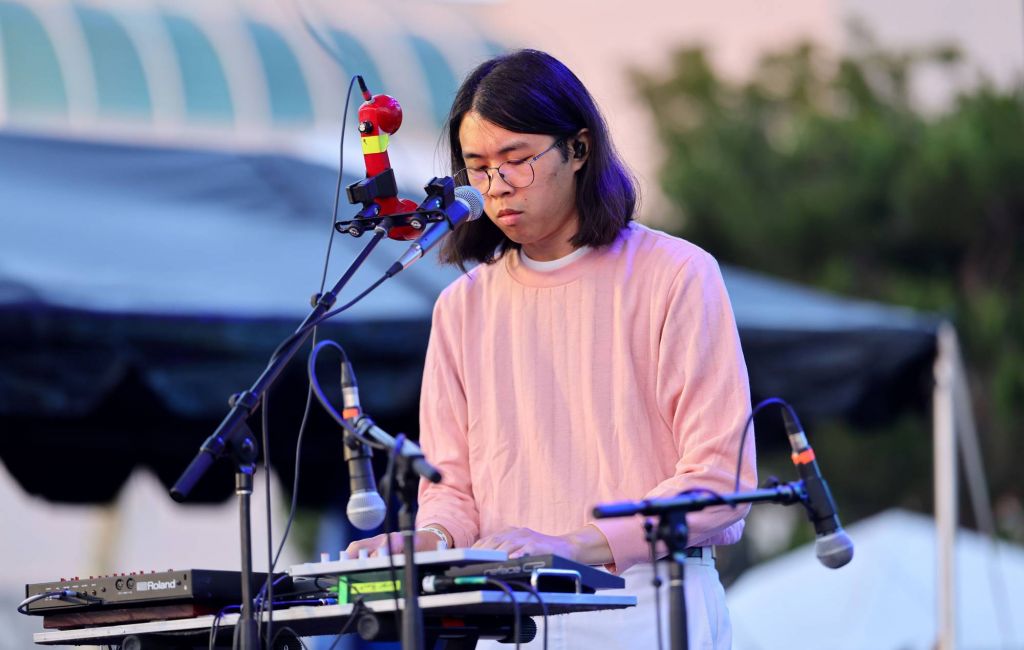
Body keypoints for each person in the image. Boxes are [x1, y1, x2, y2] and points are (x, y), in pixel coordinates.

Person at [347, 49, 756, 649]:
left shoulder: (677, 275)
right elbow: (452, 490)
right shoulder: (461, 309)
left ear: (579, 149)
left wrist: (576, 544)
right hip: (509, 613)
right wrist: (426, 540)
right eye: (478, 167)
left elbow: (723, 480)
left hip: (648, 600)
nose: (497, 186)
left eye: (516, 160)